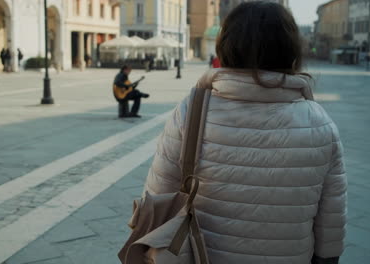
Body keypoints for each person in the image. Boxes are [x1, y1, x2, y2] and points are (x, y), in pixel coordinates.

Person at [142, 2, 346, 264]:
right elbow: (331, 222)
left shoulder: (192, 112)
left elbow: (157, 199)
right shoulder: (320, 124)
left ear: (226, 45)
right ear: (290, 49)